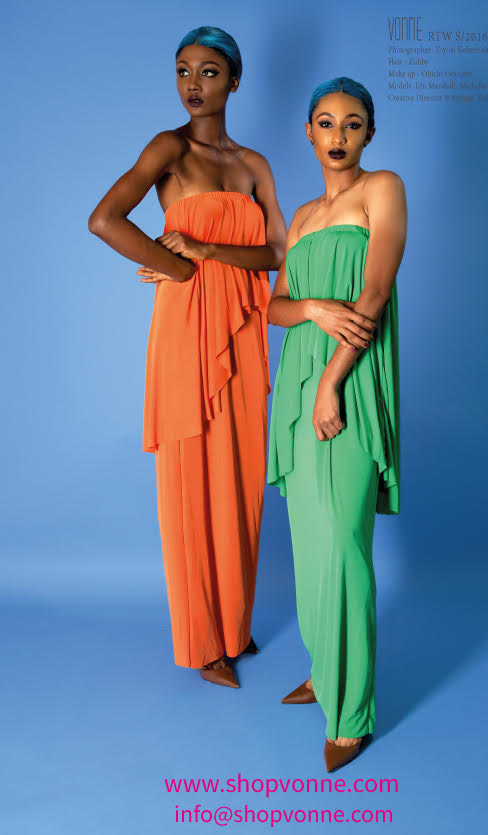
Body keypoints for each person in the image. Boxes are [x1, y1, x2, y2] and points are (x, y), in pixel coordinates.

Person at [88, 26, 286, 688]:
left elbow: (277, 253)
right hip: (186, 328)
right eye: (182, 70)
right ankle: (205, 642)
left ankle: (233, 624)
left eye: (208, 71)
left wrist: (205, 251)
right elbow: (105, 219)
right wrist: (174, 268)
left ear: (234, 81)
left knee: (241, 474)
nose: (193, 84)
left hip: (243, 329)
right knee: (191, 477)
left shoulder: (255, 165)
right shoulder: (167, 147)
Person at [267, 76, 406, 771]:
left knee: (345, 544)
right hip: (297, 388)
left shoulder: (382, 188)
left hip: (346, 382)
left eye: (353, 123)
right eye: (326, 122)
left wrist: (332, 382)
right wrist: (315, 309)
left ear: (369, 133)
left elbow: (375, 291)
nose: (339, 135)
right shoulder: (299, 216)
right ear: (309, 132)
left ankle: (351, 713)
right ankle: (325, 670)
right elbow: (276, 307)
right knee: (310, 545)